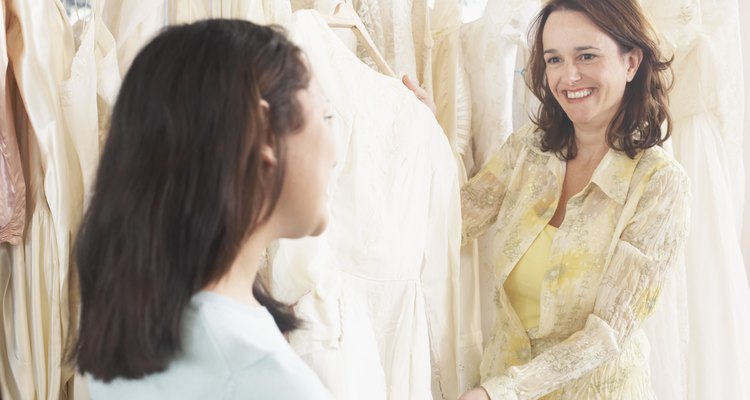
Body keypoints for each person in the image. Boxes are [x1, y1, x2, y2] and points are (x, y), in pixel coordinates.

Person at [404, 0, 689, 398]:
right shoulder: (528, 151)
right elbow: (452, 222)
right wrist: (426, 134)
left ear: (631, 62)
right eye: (554, 59)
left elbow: (606, 333)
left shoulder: (659, 184)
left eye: (586, 55)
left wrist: (500, 393)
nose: (568, 76)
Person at [70, 19, 336, 399]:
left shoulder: (128, 339)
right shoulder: (263, 378)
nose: (335, 152)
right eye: (325, 116)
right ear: (262, 132)